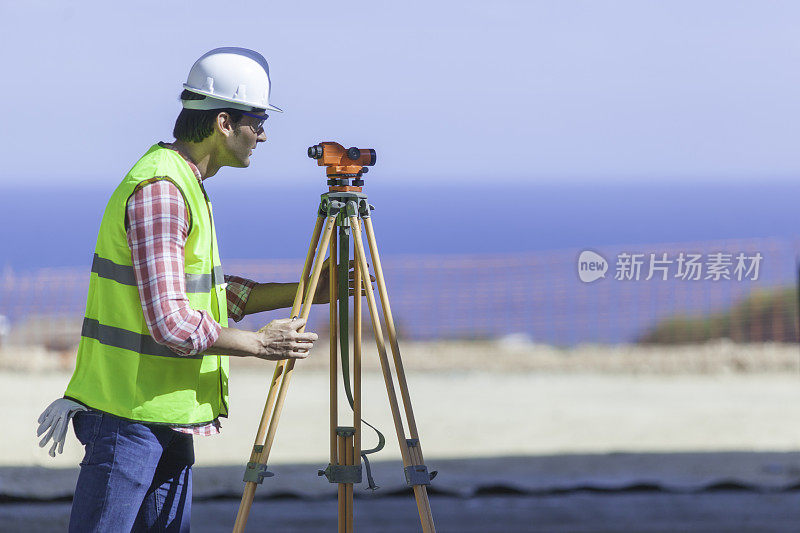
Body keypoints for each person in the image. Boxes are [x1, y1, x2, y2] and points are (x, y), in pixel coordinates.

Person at [35, 47, 335, 532]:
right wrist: (261, 344)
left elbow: (211, 295)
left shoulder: (186, 183)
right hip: (127, 418)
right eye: (256, 120)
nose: (262, 133)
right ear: (222, 122)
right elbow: (172, 322)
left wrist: (309, 291)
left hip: (163, 415)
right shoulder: (162, 189)